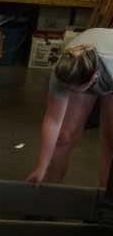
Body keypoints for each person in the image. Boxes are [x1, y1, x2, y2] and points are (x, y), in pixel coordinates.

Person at [28, 28, 113, 187]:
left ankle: (106, 195)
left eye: (74, 89)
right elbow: (53, 120)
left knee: (111, 140)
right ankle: (49, 189)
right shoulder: (64, 71)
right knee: (64, 137)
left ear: (93, 79)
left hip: (110, 63)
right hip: (91, 62)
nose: (70, 92)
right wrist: (42, 166)